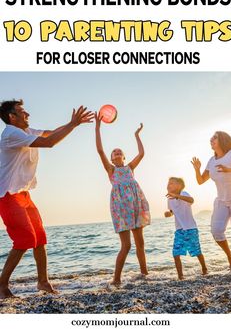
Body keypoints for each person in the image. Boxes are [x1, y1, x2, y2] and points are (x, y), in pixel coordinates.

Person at [0, 99, 93, 299]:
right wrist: (73, 124)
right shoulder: (11, 134)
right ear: (11, 117)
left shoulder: (26, 131)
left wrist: (72, 124)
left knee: (40, 238)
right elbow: (49, 143)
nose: (27, 114)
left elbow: (49, 133)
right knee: (25, 239)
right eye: (22, 112)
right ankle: (1, 286)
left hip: (23, 194)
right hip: (7, 196)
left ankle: (43, 282)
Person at [95, 113, 150, 285]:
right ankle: (116, 279)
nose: (117, 153)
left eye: (120, 152)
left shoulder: (130, 167)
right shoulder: (111, 170)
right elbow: (100, 150)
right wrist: (98, 127)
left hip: (135, 205)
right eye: (114, 152)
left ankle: (144, 274)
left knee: (140, 243)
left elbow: (142, 153)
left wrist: (137, 135)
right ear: (112, 158)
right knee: (126, 245)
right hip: (121, 209)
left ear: (124, 157)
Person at [191, 131, 231, 272]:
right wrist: (197, 169)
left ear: (223, 140)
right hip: (221, 200)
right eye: (211, 137)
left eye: (215, 137)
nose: (211, 139)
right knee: (216, 232)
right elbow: (200, 181)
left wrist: (229, 170)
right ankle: (230, 256)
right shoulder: (211, 160)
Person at [164, 177, 207, 280]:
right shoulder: (169, 199)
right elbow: (172, 211)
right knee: (176, 253)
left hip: (191, 228)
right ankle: (180, 276)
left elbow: (191, 200)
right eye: (168, 183)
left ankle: (204, 269)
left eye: (172, 183)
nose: (168, 185)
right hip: (179, 230)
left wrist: (177, 196)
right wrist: (168, 213)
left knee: (196, 251)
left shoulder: (184, 193)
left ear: (179, 186)